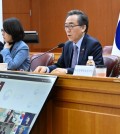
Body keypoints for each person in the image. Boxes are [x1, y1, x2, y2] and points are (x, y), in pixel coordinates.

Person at [34, 9, 104, 74]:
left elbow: (96, 69)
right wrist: (46, 69)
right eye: (66, 26)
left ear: (83, 28)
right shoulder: (67, 45)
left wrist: (67, 71)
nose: (68, 30)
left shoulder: (93, 45)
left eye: (71, 26)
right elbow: (60, 65)